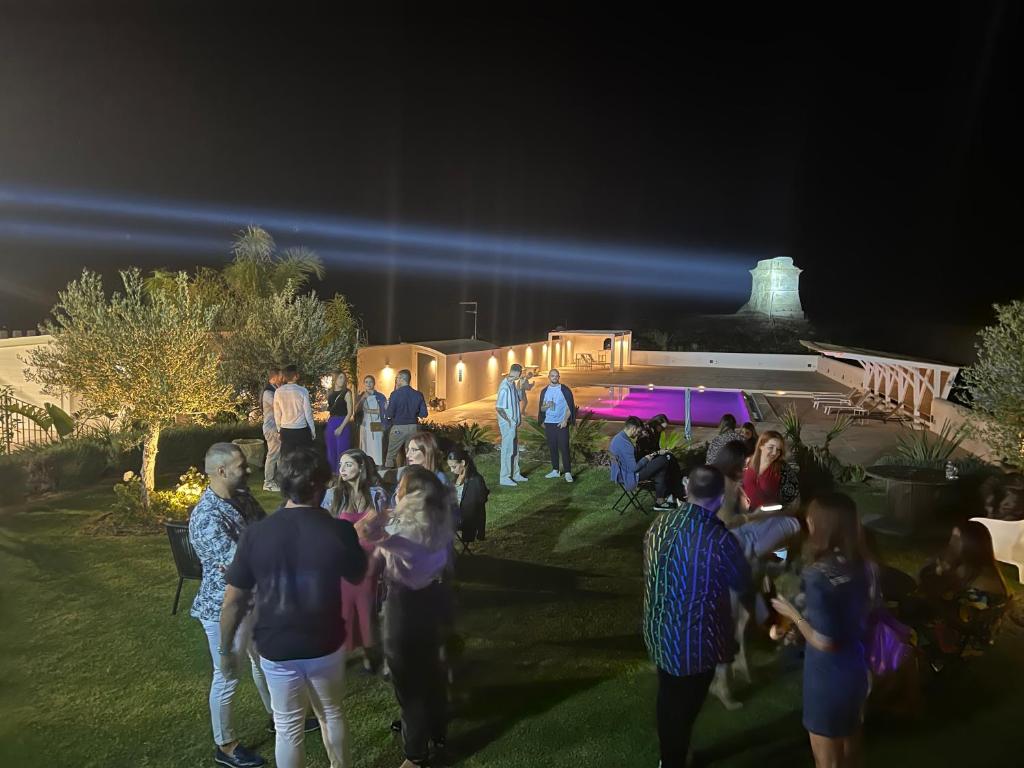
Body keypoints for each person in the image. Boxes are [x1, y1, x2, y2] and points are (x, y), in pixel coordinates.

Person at [220, 447, 367, 768]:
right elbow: (357, 574)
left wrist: (225, 648)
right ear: (321, 485)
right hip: (325, 641)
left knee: (288, 727)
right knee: (331, 713)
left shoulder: (256, 534)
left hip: (276, 645)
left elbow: (233, 601)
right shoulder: (338, 530)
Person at [643, 465, 751, 768]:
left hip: (658, 631)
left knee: (669, 699)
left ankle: (671, 755)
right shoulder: (719, 540)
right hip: (694, 644)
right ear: (719, 499)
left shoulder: (660, 525)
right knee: (683, 708)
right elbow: (743, 583)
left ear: (688, 489)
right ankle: (673, 759)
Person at [188, 443, 273, 768]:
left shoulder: (243, 498)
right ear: (221, 471)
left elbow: (265, 533)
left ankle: (278, 716)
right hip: (224, 608)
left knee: (263, 660)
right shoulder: (206, 517)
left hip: (255, 600)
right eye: (241, 466)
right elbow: (239, 564)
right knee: (227, 675)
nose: (249, 469)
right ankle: (225, 745)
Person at [771, 494, 871, 768]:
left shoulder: (817, 576)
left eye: (811, 518)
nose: (807, 522)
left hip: (828, 677)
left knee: (827, 761)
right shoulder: (861, 564)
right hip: (856, 669)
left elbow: (825, 641)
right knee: (851, 749)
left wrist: (792, 614)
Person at [366, 466, 455, 768]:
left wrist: (377, 521)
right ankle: (436, 732)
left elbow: (370, 539)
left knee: (408, 681)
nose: (397, 489)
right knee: (431, 671)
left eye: (401, 484)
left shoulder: (404, 532)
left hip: (404, 606)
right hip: (433, 598)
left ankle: (415, 755)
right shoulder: (439, 523)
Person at [322, 449, 388, 673]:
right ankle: (347, 650)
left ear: (361, 467)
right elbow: (326, 528)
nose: (342, 469)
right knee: (346, 610)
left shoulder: (376, 494)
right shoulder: (333, 495)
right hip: (346, 560)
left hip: (371, 559)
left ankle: (370, 650)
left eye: (348, 465)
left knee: (366, 606)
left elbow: (385, 526)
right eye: (341, 465)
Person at [913, 521, 1010, 664]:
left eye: (956, 539)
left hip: (965, 643)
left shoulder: (979, 578)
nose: (951, 543)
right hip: (973, 634)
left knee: (910, 616)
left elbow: (956, 617)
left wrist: (932, 596)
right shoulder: (980, 569)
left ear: (969, 545)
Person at [713, 441, 801, 559]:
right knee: (791, 524)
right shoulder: (726, 486)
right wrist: (754, 516)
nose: (747, 468)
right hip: (728, 543)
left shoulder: (721, 478)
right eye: (745, 464)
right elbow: (726, 523)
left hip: (733, 535)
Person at [609, 416, 685, 510]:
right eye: (638, 431)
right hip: (630, 476)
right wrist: (646, 459)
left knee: (662, 465)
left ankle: (661, 501)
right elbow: (634, 468)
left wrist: (653, 455)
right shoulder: (626, 444)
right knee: (665, 459)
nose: (638, 434)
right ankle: (676, 492)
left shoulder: (618, 438)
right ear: (633, 428)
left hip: (623, 472)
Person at [742, 430, 800, 512]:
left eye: (778, 450)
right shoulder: (747, 462)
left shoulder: (783, 469)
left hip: (769, 518)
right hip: (747, 517)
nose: (774, 453)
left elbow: (792, 497)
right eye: (771, 447)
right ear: (761, 446)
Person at [536, 368, 576, 483]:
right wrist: (545, 413)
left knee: (564, 448)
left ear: (559, 377)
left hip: (561, 424)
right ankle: (555, 470)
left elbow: (570, 407)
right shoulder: (545, 391)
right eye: (552, 376)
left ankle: (568, 472)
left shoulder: (564, 390)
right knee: (552, 448)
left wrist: (565, 420)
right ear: (549, 377)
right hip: (549, 424)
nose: (554, 377)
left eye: (556, 376)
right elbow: (542, 408)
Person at [385, 369, 428, 469]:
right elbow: (424, 414)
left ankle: (389, 478)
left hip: (398, 428)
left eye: (397, 378)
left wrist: (387, 409)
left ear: (401, 378)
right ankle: (411, 476)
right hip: (413, 428)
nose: (396, 381)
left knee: (391, 456)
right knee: (411, 454)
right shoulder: (418, 394)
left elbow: (389, 414)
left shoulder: (395, 394)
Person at [447, 447, 489, 543]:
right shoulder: (456, 478)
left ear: (463, 463)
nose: (451, 470)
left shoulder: (476, 480)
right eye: (450, 467)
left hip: (466, 520)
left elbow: (480, 507)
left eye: (454, 467)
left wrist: (481, 531)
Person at [496, 363, 528, 487]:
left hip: (513, 424)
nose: (520, 376)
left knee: (514, 450)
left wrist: (522, 386)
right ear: (516, 373)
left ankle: (515, 473)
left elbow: (519, 398)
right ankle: (504, 477)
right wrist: (509, 421)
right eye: (520, 374)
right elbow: (499, 408)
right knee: (507, 450)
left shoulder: (512, 384)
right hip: (507, 424)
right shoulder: (504, 387)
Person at [274, 365, 316, 456]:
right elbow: (308, 413)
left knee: (287, 457)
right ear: (296, 376)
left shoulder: (278, 392)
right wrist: (312, 430)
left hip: (286, 429)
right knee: (303, 457)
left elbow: (277, 414)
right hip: (301, 429)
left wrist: (279, 429)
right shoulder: (303, 391)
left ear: (285, 377)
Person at [325, 371, 355, 476]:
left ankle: (341, 474)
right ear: (335, 379)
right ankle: (332, 474)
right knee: (331, 449)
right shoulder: (330, 392)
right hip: (332, 421)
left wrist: (341, 428)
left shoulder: (347, 393)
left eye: (343, 378)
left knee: (342, 449)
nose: (342, 380)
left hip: (343, 422)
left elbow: (350, 412)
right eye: (340, 378)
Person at [355, 374, 388, 466]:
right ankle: (366, 464)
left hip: (376, 423)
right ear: (364, 384)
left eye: (370, 382)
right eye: (366, 382)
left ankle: (378, 465)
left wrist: (369, 410)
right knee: (365, 445)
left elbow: (384, 410)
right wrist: (362, 399)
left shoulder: (380, 396)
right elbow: (356, 410)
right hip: (364, 424)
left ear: (374, 383)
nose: (368, 384)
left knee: (377, 444)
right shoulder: (361, 395)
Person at [262, 367, 285, 491]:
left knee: (280, 455)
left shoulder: (276, 389)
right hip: (271, 428)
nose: (282, 378)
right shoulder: (268, 392)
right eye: (280, 376)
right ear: (274, 377)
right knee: (273, 454)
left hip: (277, 427)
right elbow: (278, 406)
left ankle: (279, 480)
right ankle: (268, 482)